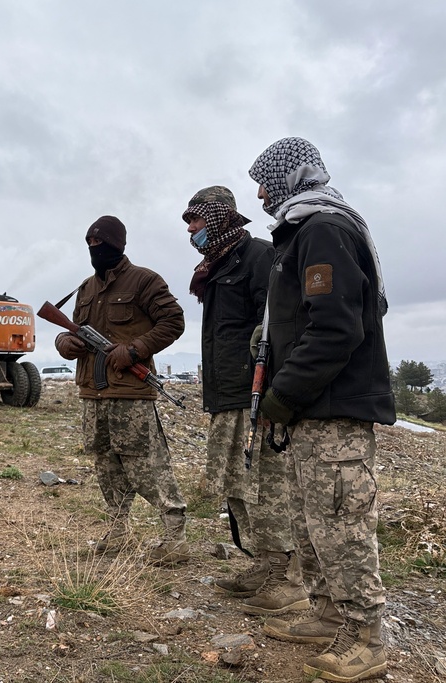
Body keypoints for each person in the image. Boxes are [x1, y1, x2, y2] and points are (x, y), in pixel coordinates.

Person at [248, 137, 394, 682]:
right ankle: (328, 613)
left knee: (340, 520)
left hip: (334, 407)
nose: (259, 194)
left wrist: (285, 393)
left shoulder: (324, 230)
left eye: (264, 181)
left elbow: (335, 328)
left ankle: (367, 636)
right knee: (312, 520)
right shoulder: (299, 234)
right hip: (312, 407)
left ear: (291, 177)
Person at [182, 186, 306, 615]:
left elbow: (275, 328)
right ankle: (262, 563)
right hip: (226, 396)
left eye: (196, 220)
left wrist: (274, 394)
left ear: (218, 217)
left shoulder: (257, 256)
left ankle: (287, 579)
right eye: (188, 223)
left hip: (253, 397)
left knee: (266, 488)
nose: (191, 229)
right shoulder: (214, 266)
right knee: (236, 484)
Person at [54, 216, 189, 565]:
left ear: (118, 246)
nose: (95, 252)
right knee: (105, 464)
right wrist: (63, 342)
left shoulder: (144, 281)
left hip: (130, 392)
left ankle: (175, 535)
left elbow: (174, 321)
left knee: (146, 464)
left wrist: (135, 349)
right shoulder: (85, 288)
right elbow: (72, 330)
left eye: (102, 245)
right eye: (90, 246)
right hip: (92, 392)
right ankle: (118, 531)